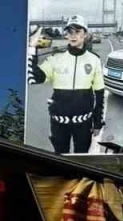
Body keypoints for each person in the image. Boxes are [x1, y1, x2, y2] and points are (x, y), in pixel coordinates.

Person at [28, 16, 105, 154]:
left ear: (85, 34)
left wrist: (98, 123)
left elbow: (99, 94)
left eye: (77, 31)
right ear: (66, 35)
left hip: (84, 124)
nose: (73, 35)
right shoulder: (56, 58)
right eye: (70, 32)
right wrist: (31, 48)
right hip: (59, 123)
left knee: (81, 158)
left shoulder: (94, 60)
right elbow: (33, 78)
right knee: (60, 158)